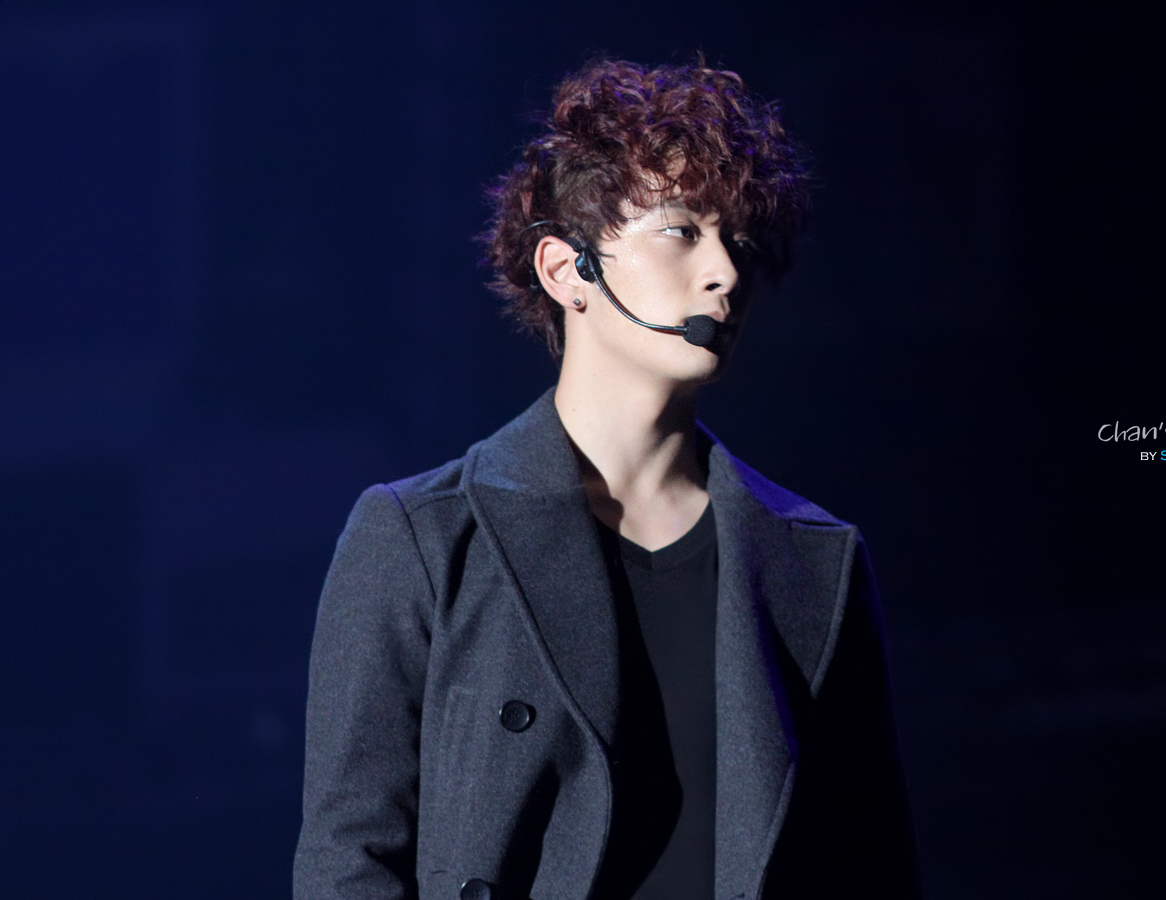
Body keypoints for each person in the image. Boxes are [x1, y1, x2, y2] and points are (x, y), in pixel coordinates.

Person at [294, 57, 922, 900]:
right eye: (681, 231)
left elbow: (871, 864)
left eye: (738, 241)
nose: (725, 273)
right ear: (567, 270)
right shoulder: (424, 535)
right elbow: (349, 858)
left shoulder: (814, 558)